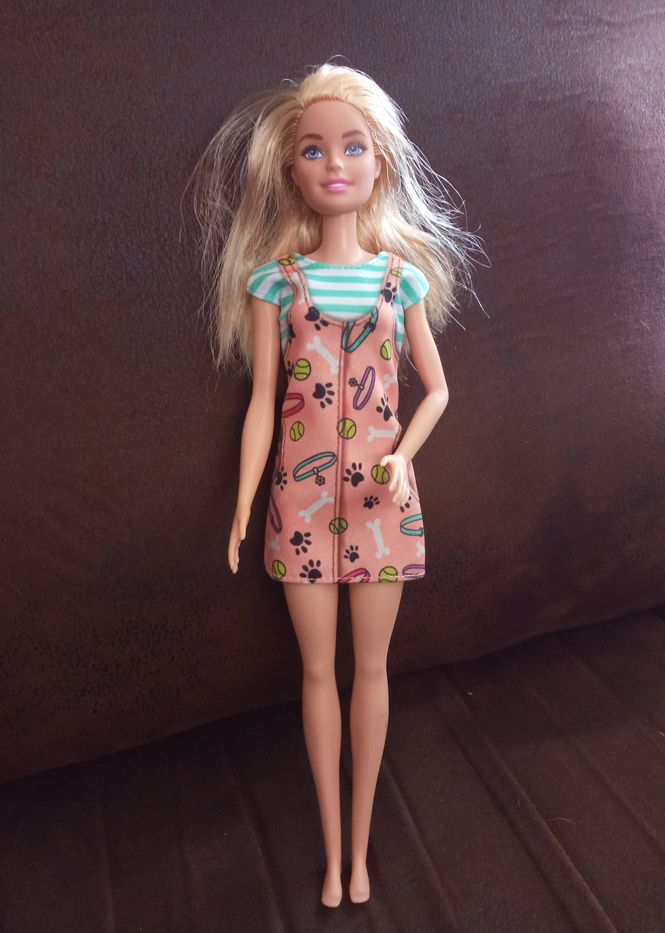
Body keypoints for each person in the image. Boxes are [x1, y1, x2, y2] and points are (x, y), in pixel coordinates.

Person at [187, 59, 488, 908]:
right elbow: (262, 401)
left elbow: (439, 390)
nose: (334, 164)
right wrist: (244, 500)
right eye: (314, 149)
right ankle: (332, 853)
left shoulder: (401, 280)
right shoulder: (275, 283)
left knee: (372, 670)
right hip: (301, 505)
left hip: (382, 506)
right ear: (292, 169)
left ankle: (361, 851)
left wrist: (403, 454)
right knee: (317, 673)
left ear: (378, 162)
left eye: (352, 146)